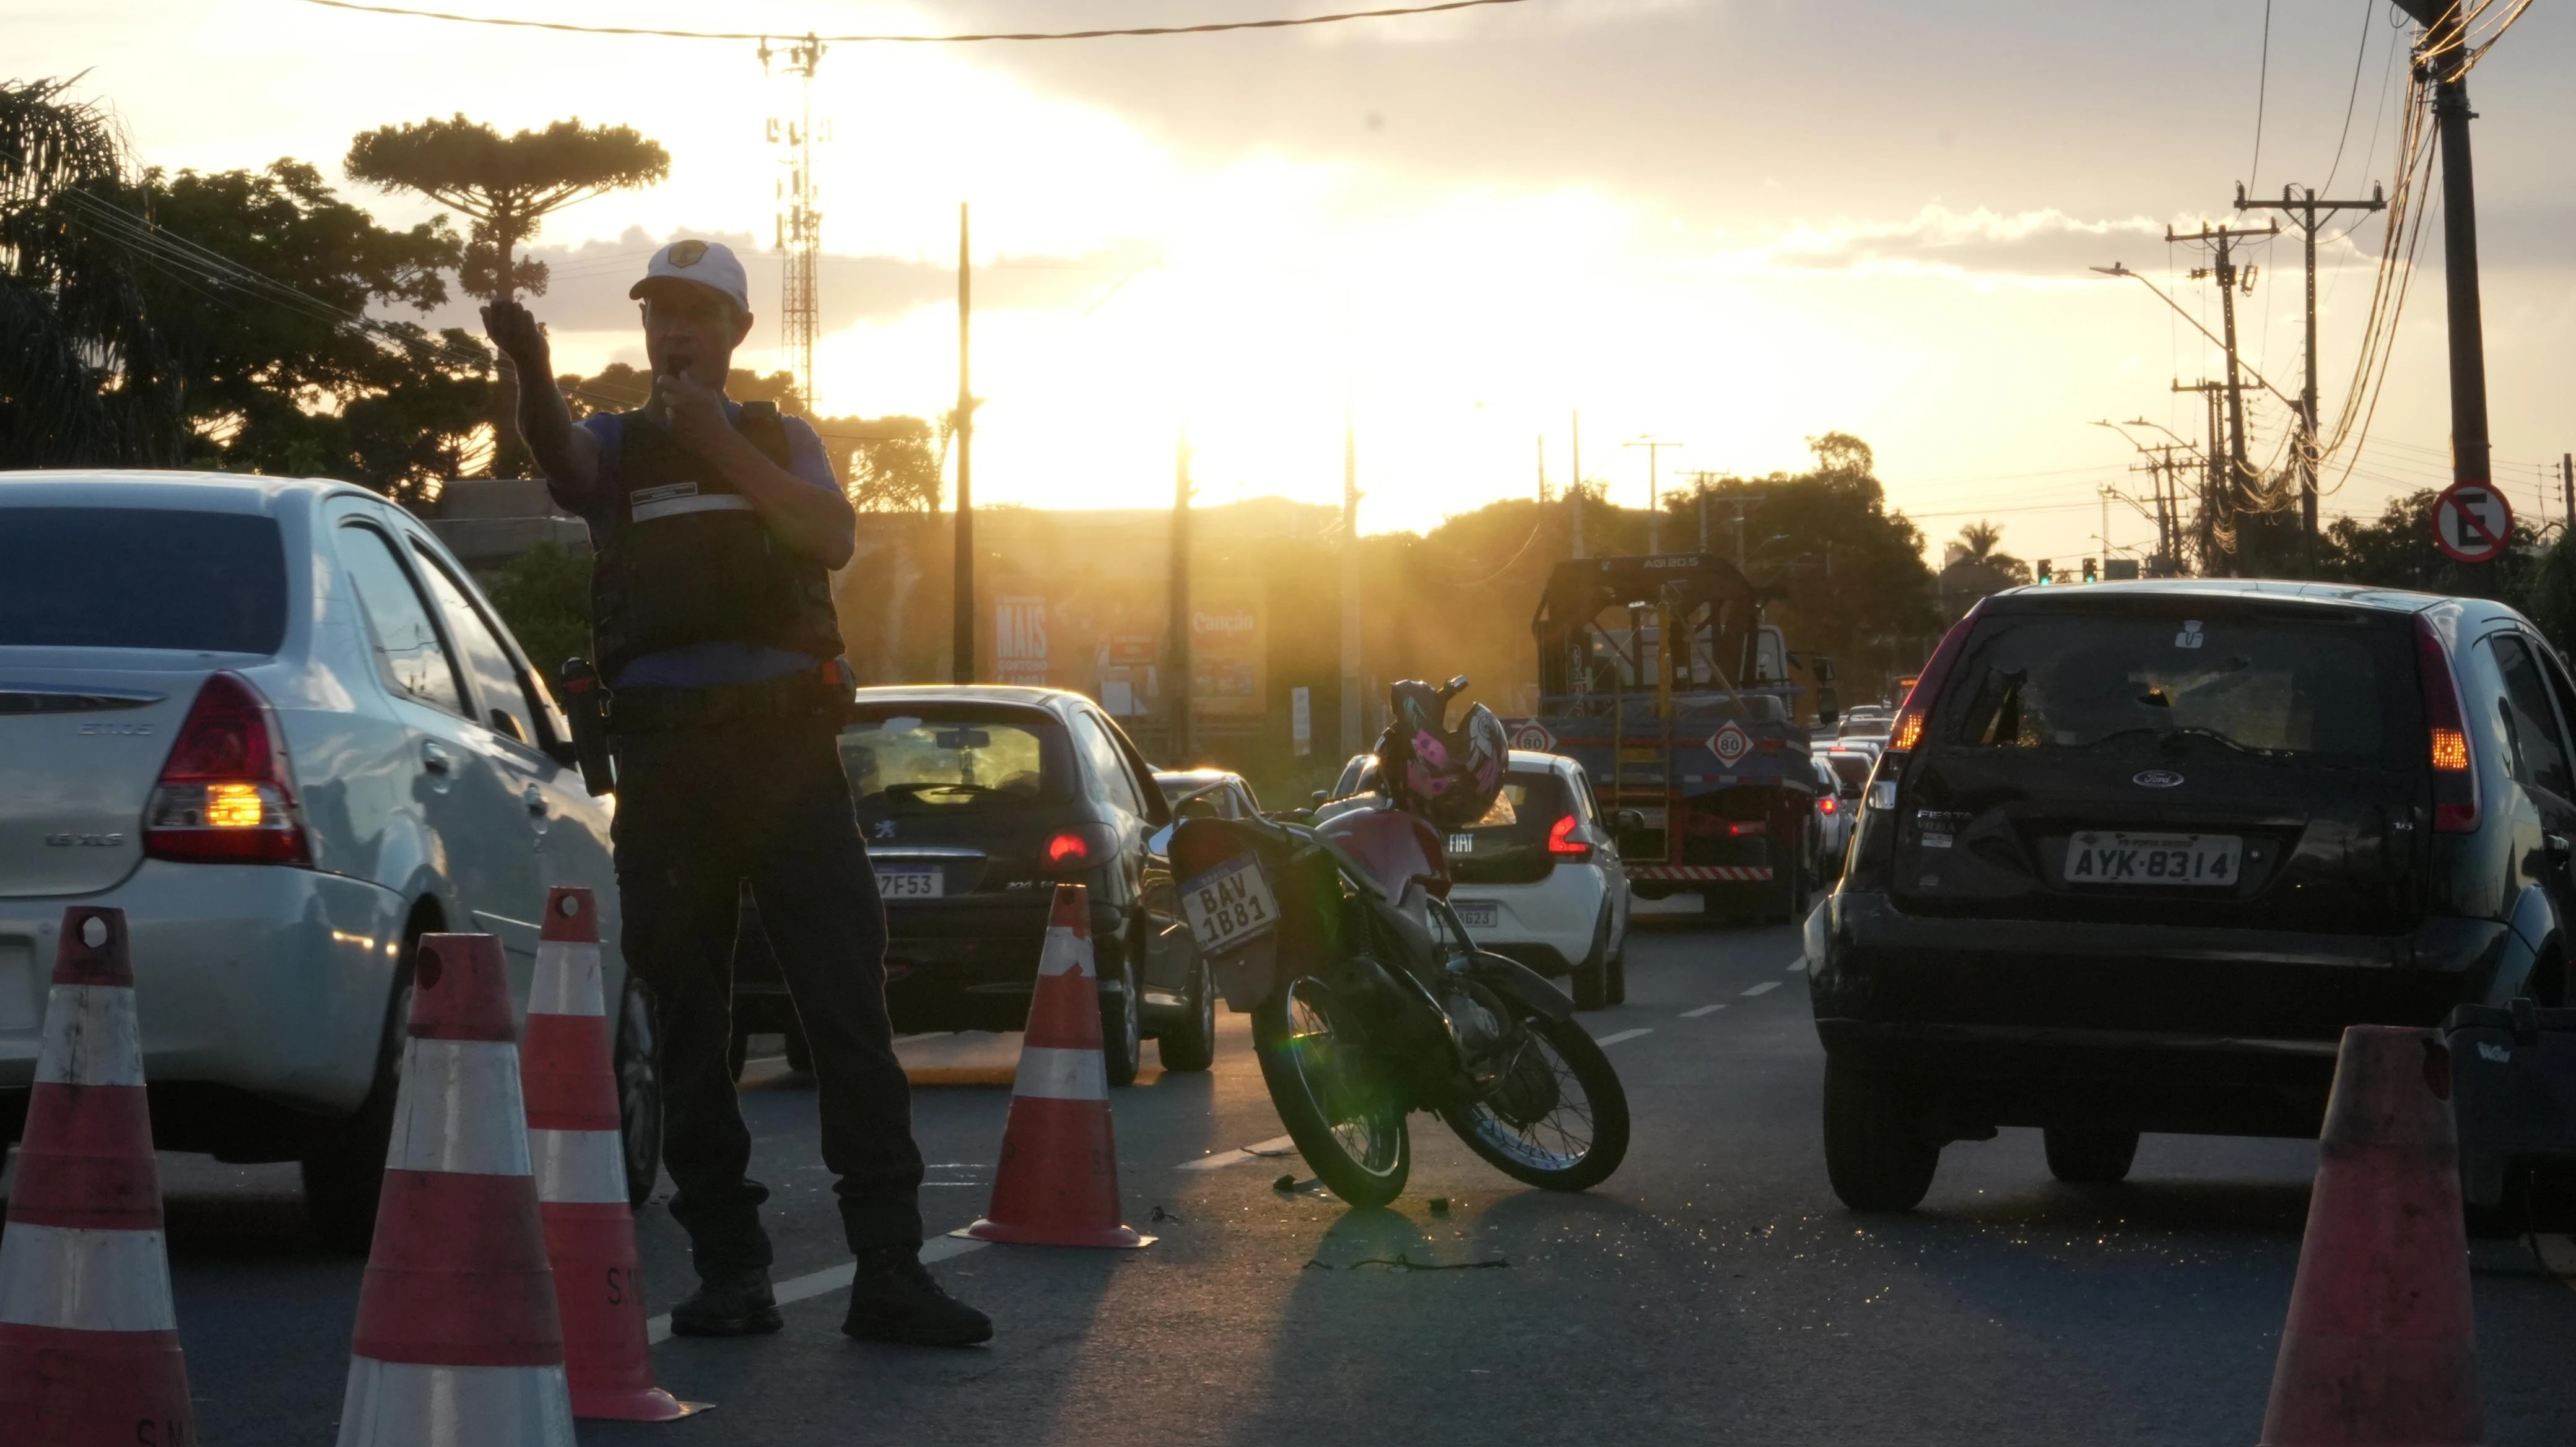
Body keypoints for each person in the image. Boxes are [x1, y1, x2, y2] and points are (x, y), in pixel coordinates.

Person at [482, 238, 991, 1348]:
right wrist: (530, 365)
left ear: (735, 332)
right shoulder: (615, 446)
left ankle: (891, 1271)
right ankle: (730, 1270)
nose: (676, 330)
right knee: (687, 1023)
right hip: (670, 771)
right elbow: (558, 455)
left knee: (847, 1010)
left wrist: (717, 440)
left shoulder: (780, 437)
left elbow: (831, 536)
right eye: (660, 312)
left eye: (700, 314)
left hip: (787, 763)